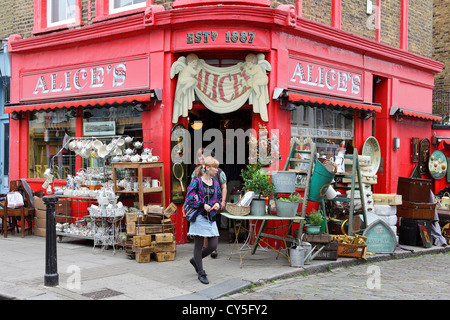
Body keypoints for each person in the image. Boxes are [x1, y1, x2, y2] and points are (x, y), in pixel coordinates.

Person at [184, 156, 223, 284]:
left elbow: (218, 197)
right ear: (207, 168)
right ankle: (201, 272)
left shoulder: (215, 183)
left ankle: (196, 260)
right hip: (199, 217)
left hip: (211, 217)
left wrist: (217, 203)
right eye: (215, 167)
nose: (217, 170)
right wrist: (202, 205)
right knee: (199, 245)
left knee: (213, 245)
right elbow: (189, 198)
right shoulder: (196, 182)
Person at [190, 147, 227, 258]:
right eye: (200, 155)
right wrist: (200, 204)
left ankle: (208, 250)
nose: (201, 158)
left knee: (213, 228)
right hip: (200, 209)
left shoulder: (219, 173)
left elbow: (223, 187)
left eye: (203, 155)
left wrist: (222, 201)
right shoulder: (196, 171)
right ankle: (204, 252)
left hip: (213, 206)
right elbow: (191, 192)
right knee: (201, 237)